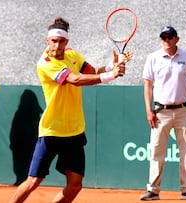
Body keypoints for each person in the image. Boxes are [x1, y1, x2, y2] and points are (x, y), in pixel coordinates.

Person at [9, 17, 132, 203]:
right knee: (33, 181)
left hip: (74, 130)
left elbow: (91, 72)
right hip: (52, 130)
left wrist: (111, 66)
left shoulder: (72, 55)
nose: (57, 46)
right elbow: (75, 80)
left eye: (61, 41)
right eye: (54, 41)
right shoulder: (45, 62)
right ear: (47, 40)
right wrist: (111, 75)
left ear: (67, 42)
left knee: (75, 185)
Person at [140, 26, 186, 201]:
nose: (166, 41)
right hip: (160, 112)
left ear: (177, 39)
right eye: (163, 37)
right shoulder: (153, 58)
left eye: (170, 37)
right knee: (156, 152)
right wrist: (148, 110)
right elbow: (147, 86)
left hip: (184, 110)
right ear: (160, 39)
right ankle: (153, 190)